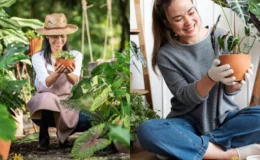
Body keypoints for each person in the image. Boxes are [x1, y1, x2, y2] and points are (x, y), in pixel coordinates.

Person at [137, 0, 260, 159]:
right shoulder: (166, 55)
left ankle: (188, 147)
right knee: (147, 130)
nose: (188, 22)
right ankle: (230, 153)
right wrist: (210, 77)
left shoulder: (221, 37)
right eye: (178, 19)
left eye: (191, 12)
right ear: (166, 23)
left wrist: (235, 86)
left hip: (226, 121)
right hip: (188, 124)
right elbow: (185, 96)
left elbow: (228, 92)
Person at [27, 13, 91, 151]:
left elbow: (74, 81)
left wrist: (67, 70)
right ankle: (43, 136)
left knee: (89, 120)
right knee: (47, 97)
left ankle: (63, 136)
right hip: (43, 108)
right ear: (47, 36)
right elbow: (46, 83)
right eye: (55, 36)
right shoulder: (38, 57)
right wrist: (57, 72)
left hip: (64, 102)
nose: (59, 40)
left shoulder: (75, 55)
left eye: (62, 35)